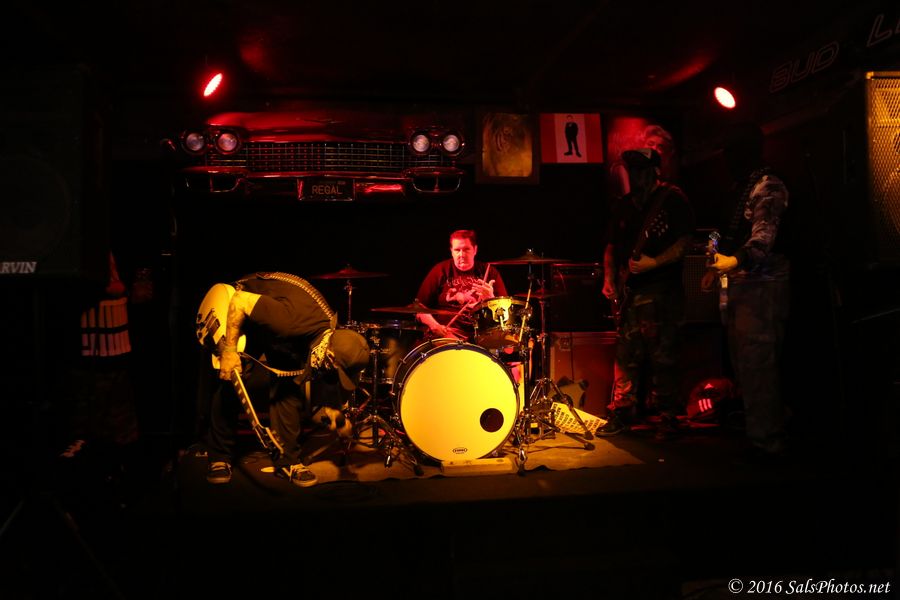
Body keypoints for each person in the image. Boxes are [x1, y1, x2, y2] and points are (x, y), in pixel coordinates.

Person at [203, 271, 370, 486]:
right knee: (232, 377)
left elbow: (321, 379)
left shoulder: (328, 337)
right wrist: (229, 350)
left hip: (273, 329)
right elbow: (240, 301)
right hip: (235, 309)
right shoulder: (291, 322)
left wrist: (333, 413)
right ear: (328, 355)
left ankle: (288, 460)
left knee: (287, 387)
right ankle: (219, 456)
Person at [702, 123, 791, 461]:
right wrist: (713, 259)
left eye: (732, 153)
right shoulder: (738, 188)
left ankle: (768, 440)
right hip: (739, 284)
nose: (727, 160)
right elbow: (719, 231)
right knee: (744, 364)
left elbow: (763, 240)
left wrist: (733, 260)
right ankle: (761, 432)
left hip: (762, 286)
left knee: (758, 364)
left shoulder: (768, 186)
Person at [598, 148, 695, 439]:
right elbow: (611, 246)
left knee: (664, 356)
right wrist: (609, 278)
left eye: (640, 168)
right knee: (625, 356)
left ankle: (668, 416)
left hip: (663, 291)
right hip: (632, 293)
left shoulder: (672, 199)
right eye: (631, 169)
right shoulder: (625, 205)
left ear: (654, 170)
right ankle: (622, 412)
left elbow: (685, 242)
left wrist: (655, 262)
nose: (635, 174)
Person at [415, 229, 508, 342]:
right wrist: (435, 326)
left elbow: (505, 315)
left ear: (475, 250)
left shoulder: (490, 272)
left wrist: (491, 299)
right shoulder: (440, 270)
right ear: (451, 251)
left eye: (466, 249)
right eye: (457, 250)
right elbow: (419, 308)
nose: (461, 255)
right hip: (446, 334)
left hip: (481, 336)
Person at [608, 123, 676, 199]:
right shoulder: (625, 167)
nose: (654, 148)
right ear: (642, 145)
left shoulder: (665, 179)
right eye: (650, 144)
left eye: (660, 147)